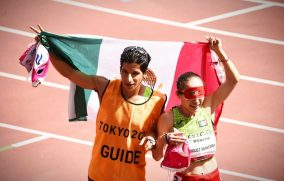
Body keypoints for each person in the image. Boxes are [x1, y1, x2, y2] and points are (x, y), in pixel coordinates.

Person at [30, 25, 166, 181]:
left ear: (145, 73)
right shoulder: (105, 87)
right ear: (120, 69)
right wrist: (48, 46)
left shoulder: (157, 101)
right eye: (125, 72)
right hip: (98, 176)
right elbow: (70, 73)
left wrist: (153, 139)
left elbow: (155, 137)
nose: (129, 78)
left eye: (135, 73)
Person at [152, 37, 240, 181]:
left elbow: (234, 80)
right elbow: (157, 156)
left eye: (200, 94)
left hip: (213, 175)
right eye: (191, 95)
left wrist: (218, 51)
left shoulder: (207, 107)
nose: (197, 100)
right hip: (187, 177)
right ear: (179, 95)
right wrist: (164, 140)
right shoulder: (169, 118)